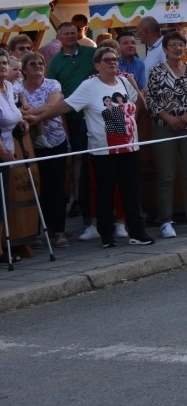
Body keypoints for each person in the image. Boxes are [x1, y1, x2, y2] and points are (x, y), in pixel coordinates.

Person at [25, 44, 155, 247]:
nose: (113, 63)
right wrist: (37, 117)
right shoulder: (89, 86)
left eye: (115, 59)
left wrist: (132, 121)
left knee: (130, 190)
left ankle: (137, 232)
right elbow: (66, 105)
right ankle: (106, 235)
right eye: (107, 60)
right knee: (104, 191)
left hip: (129, 147)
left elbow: (139, 105)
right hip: (103, 149)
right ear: (97, 65)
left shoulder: (124, 81)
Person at [145, 31, 187, 238]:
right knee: (166, 175)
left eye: (181, 45)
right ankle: (165, 220)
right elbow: (151, 100)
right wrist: (169, 118)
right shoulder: (156, 72)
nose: (177, 48)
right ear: (165, 49)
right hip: (165, 126)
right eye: (173, 45)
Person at [46, 21, 103, 240]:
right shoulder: (56, 62)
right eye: (66, 33)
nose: (70, 36)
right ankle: (81, 205)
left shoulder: (91, 52)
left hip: (96, 114)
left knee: (97, 160)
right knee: (80, 161)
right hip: (71, 117)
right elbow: (52, 89)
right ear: (59, 37)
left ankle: (97, 212)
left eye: (73, 33)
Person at [17, 51, 70, 248]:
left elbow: (52, 105)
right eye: (32, 64)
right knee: (34, 188)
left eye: (40, 63)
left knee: (55, 187)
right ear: (23, 69)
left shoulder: (52, 84)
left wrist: (28, 114)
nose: (38, 66)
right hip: (28, 145)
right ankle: (35, 231)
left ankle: (59, 231)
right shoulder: (18, 87)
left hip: (54, 141)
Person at [0, 54, 27, 263]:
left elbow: (11, 113)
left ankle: (2, 247)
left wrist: (20, 121)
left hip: (8, 149)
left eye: (4, 63)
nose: (2, 66)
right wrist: (3, 152)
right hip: (2, 152)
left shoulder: (8, 87)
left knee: (3, 202)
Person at [136, 16, 164, 86]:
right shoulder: (152, 48)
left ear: (144, 31)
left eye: (137, 31)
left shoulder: (164, 48)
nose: (136, 34)